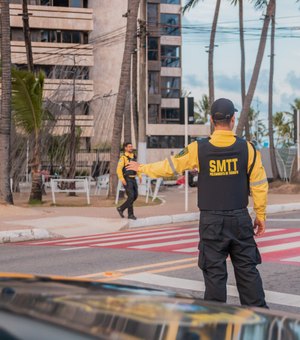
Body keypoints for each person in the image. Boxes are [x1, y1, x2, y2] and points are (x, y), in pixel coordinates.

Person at [126, 98, 269, 308]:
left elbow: (169, 167)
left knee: (214, 276)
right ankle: (261, 322)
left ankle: (214, 323)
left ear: (211, 120)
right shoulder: (248, 149)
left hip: (211, 221)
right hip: (240, 220)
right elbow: (259, 184)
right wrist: (261, 215)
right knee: (248, 272)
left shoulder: (197, 149)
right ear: (233, 119)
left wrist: (141, 168)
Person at [116, 142, 141, 220]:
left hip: (133, 179)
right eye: (129, 147)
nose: (131, 148)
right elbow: (118, 170)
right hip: (127, 179)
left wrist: (139, 176)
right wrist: (122, 179)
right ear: (125, 148)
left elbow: (137, 167)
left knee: (135, 196)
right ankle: (130, 214)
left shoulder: (134, 157)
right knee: (131, 197)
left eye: (131, 146)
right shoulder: (123, 158)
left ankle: (121, 208)